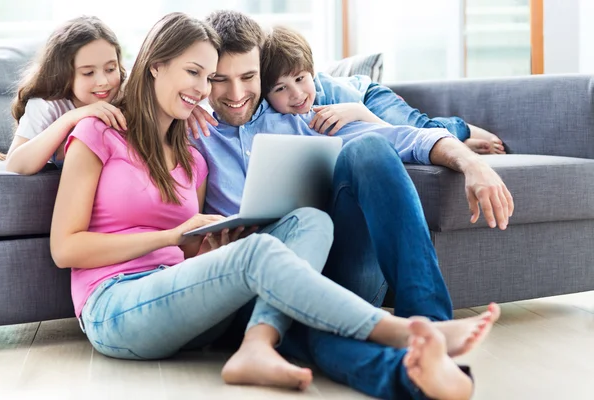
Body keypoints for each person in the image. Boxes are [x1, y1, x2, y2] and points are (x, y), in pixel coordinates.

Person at [49, 12, 496, 400]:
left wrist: (466, 159)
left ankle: (418, 354)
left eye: (213, 76)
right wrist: (181, 238)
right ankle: (409, 338)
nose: (218, 90)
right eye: (206, 76)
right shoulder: (135, 134)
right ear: (157, 66)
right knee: (277, 280)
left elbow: (405, 138)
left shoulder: (210, 151)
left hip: (229, 283)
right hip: (143, 296)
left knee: (320, 214)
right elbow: (64, 238)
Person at [182, 9, 511, 399]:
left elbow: (405, 138)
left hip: (341, 271)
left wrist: (471, 163)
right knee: (311, 330)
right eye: (220, 81)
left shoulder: (298, 114)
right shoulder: (189, 130)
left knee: (369, 147)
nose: (236, 95)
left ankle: (428, 324)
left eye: (249, 78)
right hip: (263, 290)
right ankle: (417, 376)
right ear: (204, 78)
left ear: (260, 70)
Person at [260, 26, 505, 154]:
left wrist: (358, 111)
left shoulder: (331, 92)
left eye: (301, 79)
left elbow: (397, 135)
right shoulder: (270, 116)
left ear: (311, 73)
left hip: (367, 99)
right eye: (281, 88)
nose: (297, 94)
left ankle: (460, 128)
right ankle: (460, 144)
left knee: (420, 128)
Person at [1, 16, 127, 175]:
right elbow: (15, 164)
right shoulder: (48, 105)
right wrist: (70, 118)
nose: (103, 81)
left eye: (110, 69)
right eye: (88, 73)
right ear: (64, 74)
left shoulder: (125, 92)